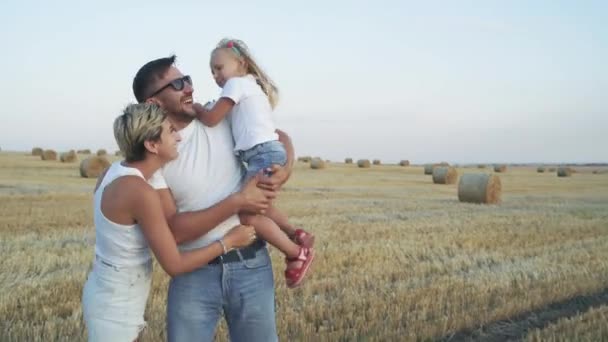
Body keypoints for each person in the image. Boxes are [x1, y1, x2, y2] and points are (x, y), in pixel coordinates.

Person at [133, 55, 294, 341]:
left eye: (188, 80)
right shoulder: (156, 156)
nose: (189, 89)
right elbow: (175, 231)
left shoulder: (220, 117)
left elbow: (278, 136)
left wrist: (286, 168)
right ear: (153, 103)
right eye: (178, 84)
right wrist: (237, 202)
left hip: (252, 266)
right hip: (194, 274)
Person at [81, 103, 258, 342]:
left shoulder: (117, 172)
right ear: (152, 145)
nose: (178, 137)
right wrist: (228, 242)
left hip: (110, 288)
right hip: (115, 300)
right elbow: (174, 265)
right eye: (170, 131)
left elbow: (166, 222)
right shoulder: (138, 191)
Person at [195, 38, 315, 288]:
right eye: (212, 71)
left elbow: (211, 119)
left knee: (248, 215)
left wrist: (195, 109)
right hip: (266, 153)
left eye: (219, 68)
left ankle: (296, 253)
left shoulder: (236, 85)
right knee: (258, 206)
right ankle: (296, 233)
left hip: (261, 154)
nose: (216, 75)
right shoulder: (251, 87)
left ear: (240, 63)